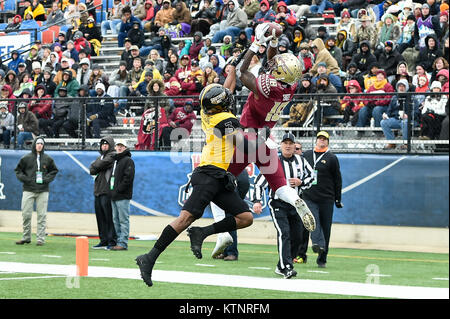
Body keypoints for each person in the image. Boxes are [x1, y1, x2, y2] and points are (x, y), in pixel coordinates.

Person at [135, 83, 259, 287]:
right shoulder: (227, 119)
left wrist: (233, 71)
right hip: (209, 173)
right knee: (186, 218)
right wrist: (263, 144)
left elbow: (224, 90)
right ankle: (149, 258)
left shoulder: (209, 114)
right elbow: (244, 145)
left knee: (245, 218)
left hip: (218, 175)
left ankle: (202, 232)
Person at [227, 22, 316, 233]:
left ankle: (223, 236)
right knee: (280, 184)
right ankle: (295, 200)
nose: (275, 65)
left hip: (247, 137)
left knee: (221, 180)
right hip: (265, 139)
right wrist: (274, 42)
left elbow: (241, 72)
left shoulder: (268, 88)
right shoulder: (290, 85)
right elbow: (272, 62)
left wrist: (256, 44)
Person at [253, 133, 315, 279]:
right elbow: (259, 182)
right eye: (285, 143)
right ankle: (287, 267)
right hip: (278, 203)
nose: (288, 145)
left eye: (290, 143)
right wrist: (257, 200)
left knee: (298, 237)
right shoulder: (273, 162)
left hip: (295, 205)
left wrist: (301, 182)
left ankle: (282, 265)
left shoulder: (301, 160)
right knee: (284, 233)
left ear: (295, 146)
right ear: (280, 145)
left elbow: (312, 176)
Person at [301, 131, 343, 268]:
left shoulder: (331, 158)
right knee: (312, 219)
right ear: (316, 140)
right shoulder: (306, 155)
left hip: (326, 198)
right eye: (320, 138)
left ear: (328, 142)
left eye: (324, 139)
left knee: (326, 228)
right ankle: (317, 243)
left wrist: (337, 199)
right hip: (309, 195)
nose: (322, 141)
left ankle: (322, 258)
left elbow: (337, 179)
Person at [14, 136, 58, 246]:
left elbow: (54, 171)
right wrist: (26, 179)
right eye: (38, 143)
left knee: (41, 215)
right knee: (26, 214)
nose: (39, 145)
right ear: (34, 144)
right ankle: (26, 237)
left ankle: (40, 239)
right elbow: (18, 170)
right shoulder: (26, 158)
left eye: (41, 144)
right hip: (28, 189)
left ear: (43, 146)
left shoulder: (48, 159)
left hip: (43, 190)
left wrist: (45, 180)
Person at [210, 169, 250, 261]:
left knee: (230, 223)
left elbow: (244, 183)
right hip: (223, 199)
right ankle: (225, 252)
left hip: (230, 199)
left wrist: (237, 199)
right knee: (223, 224)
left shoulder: (236, 168)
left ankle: (232, 252)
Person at [89, 136, 117, 250]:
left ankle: (111, 240)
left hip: (106, 191)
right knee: (100, 217)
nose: (104, 146)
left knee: (109, 217)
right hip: (98, 191)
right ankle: (103, 240)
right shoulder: (100, 157)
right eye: (102, 144)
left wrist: (96, 164)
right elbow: (91, 169)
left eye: (106, 144)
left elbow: (98, 165)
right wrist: (97, 165)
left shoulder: (112, 155)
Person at [109, 140, 135, 251]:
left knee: (123, 220)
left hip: (122, 195)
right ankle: (119, 241)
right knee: (116, 219)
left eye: (122, 146)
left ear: (125, 147)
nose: (119, 148)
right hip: (114, 195)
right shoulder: (116, 161)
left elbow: (128, 178)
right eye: (118, 145)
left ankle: (123, 242)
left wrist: (118, 190)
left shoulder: (128, 161)